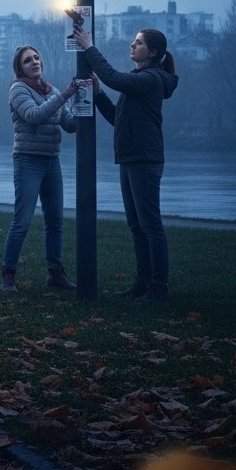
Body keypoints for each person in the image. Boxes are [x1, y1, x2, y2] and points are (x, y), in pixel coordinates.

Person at [72, 24, 179, 301]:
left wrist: (88, 46)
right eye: (134, 41)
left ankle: (159, 287)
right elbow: (115, 116)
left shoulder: (152, 78)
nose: (132, 45)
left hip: (145, 159)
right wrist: (97, 94)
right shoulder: (139, 79)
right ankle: (142, 284)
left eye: (139, 43)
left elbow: (113, 77)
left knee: (151, 224)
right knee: (136, 225)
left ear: (152, 52)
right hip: (131, 159)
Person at [0, 46, 86, 293]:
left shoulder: (52, 90)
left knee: (55, 220)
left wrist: (85, 101)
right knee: (22, 220)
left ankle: (55, 273)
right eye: (28, 60)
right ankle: (8, 274)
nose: (34, 62)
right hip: (27, 160)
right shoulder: (18, 89)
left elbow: (69, 124)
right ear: (21, 68)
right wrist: (66, 95)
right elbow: (34, 115)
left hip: (52, 160)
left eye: (37, 57)